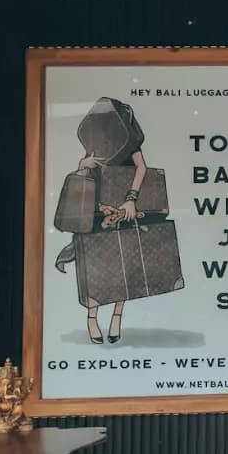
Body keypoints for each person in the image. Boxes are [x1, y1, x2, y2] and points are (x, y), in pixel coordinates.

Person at [77, 147, 148, 344]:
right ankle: (92, 319)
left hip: (123, 206)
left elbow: (142, 167)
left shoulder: (130, 140)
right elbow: (82, 178)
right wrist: (83, 165)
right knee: (95, 268)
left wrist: (131, 199)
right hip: (96, 209)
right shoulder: (94, 137)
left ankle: (116, 318)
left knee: (123, 265)